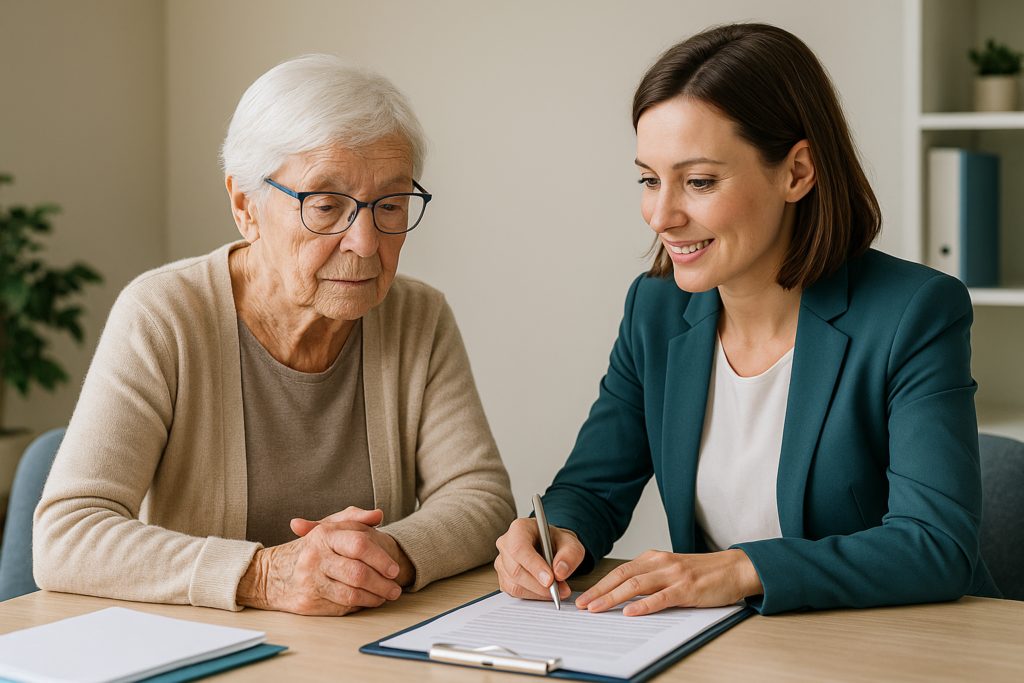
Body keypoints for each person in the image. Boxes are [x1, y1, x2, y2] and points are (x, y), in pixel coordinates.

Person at [494, 23, 1000, 615]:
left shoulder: (913, 313)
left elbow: (934, 546)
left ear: (797, 172)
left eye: (699, 181)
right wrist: (554, 536)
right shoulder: (654, 310)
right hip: (723, 647)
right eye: (649, 179)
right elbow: (592, 489)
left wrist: (741, 567)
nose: (660, 215)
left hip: (894, 647)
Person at [34, 55, 516, 615]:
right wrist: (266, 575)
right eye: (326, 204)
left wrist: (381, 556)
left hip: (360, 650)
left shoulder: (419, 316)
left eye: (390, 204)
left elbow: (481, 498)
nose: (364, 240)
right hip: (202, 646)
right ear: (246, 206)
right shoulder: (164, 313)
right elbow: (66, 536)